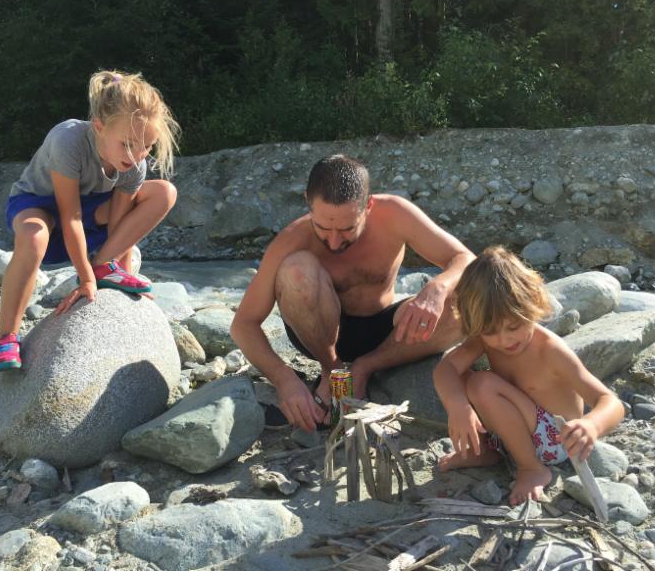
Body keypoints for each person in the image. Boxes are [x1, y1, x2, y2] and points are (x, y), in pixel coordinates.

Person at [230, 154, 475, 432]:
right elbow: (243, 324)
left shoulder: (394, 214)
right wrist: (284, 380)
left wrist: (437, 288)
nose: (334, 242)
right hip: (317, 334)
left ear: (368, 205)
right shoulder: (292, 239)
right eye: (323, 228)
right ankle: (332, 370)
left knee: (465, 304)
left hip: (384, 331)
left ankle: (364, 368)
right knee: (296, 269)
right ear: (308, 203)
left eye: (347, 229)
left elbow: (466, 259)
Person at [0, 70, 180, 373]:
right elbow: (70, 216)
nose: (138, 154)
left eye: (147, 146)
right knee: (34, 236)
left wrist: (121, 278)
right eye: (128, 144)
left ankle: (103, 265)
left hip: (89, 215)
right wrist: (86, 279)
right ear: (99, 126)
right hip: (39, 207)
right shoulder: (68, 140)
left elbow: (119, 226)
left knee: (164, 192)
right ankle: (4, 337)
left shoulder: (134, 163)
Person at [433, 246, 625, 505]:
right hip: (516, 428)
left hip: (556, 439)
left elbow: (610, 401)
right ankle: (486, 450)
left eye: (514, 326)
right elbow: (445, 369)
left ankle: (532, 468)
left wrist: (592, 425)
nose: (504, 340)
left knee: (482, 383)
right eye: (490, 331)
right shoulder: (485, 339)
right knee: (462, 379)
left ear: (532, 304)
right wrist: (458, 406)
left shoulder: (549, 350)